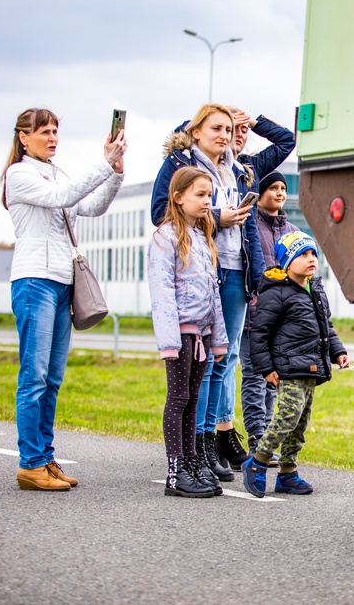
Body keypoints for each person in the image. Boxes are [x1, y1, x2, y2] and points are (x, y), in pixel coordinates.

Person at [150, 104, 295, 481]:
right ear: (196, 131)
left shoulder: (241, 167)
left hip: (237, 268)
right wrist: (218, 217)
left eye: (229, 129)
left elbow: (286, 141)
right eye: (216, 128)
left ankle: (209, 442)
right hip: (201, 267)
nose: (225, 135)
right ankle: (191, 448)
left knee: (225, 358)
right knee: (201, 365)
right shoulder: (183, 162)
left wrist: (255, 120)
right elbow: (160, 212)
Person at [0, 107, 125, 491]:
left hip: (61, 282)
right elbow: (63, 197)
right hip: (34, 280)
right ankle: (30, 463)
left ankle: (45, 456)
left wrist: (116, 171)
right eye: (44, 132)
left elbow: (90, 206)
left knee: (52, 378)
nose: (53, 138)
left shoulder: (57, 174)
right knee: (33, 376)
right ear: (23, 137)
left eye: (56, 131)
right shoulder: (19, 174)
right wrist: (102, 164)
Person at [241, 232, 349, 498]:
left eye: (313, 254)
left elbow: (327, 328)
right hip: (287, 368)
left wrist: (338, 352)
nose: (311, 259)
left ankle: (288, 473)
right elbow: (260, 333)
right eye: (303, 255)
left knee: (299, 424)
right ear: (287, 263)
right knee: (288, 415)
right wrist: (266, 368)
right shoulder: (276, 293)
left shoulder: (317, 290)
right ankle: (257, 462)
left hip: (311, 368)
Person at [147, 167, 229, 498]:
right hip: (179, 334)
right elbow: (162, 293)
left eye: (209, 195)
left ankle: (193, 462)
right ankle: (175, 470)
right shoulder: (165, 238)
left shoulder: (203, 237)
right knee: (178, 398)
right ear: (179, 198)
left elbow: (213, 294)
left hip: (202, 333)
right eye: (200, 194)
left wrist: (218, 338)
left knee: (193, 399)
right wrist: (169, 341)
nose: (207, 201)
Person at [239, 170, 301, 459]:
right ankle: (256, 436)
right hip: (254, 314)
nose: (279, 193)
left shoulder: (291, 231)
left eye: (283, 188)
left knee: (273, 381)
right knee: (254, 376)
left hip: (282, 318)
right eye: (273, 188)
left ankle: (266, 440)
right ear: (260, 193)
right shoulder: (250, 224)